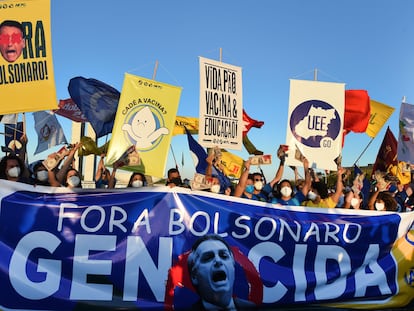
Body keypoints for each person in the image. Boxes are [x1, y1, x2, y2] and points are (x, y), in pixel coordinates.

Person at [186, 234, 256, 311]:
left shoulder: (251, 308)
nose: (218, 261)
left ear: (233, 267)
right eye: (208, 257)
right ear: (194, 276)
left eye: (224, 256)